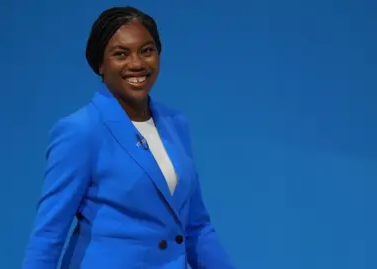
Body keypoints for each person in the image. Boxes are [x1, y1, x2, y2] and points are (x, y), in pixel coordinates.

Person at [22, 6, 234, 269]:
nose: (137, 64)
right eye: (121, 54)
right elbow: (49, 233)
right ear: (99, 63)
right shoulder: (81, 130)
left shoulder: (175, 124)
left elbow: (196, 227)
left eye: (147, 51)